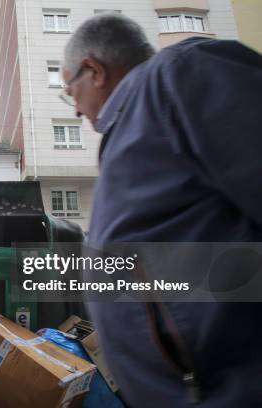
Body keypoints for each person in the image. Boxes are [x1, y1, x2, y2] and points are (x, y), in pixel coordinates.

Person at [61, 13, 262, 408]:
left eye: (70, 90)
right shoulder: (136, 117)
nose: (75, 110)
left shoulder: (181, 74)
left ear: (94, 70)